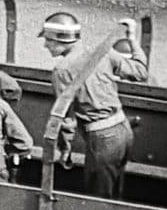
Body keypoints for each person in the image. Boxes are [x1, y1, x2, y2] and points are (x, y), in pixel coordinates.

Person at [41, 12, 149, 198]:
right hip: (124, 131)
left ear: (61, 40)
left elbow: (66, 119)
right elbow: (140, 72)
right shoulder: (102, 51)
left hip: (103, 139)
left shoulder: (61, 71)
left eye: (48, 40)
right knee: (115, 188)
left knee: (99, 199)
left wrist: (65, 149)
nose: (45, 45)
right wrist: (131, 39)